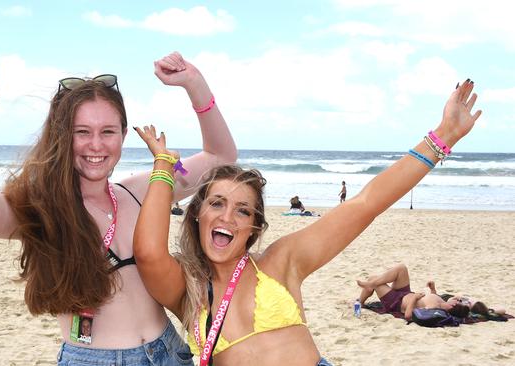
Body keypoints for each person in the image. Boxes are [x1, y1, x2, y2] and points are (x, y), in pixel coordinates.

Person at [132, 79, 481, 365]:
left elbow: (365, 204)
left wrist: (442, 138)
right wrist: (163, 166)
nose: (227, 217)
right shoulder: (186, 288)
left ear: (254, 226)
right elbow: (148, 253)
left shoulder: (280, 263)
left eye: (242, 210)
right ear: (197, 214)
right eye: (217, 204)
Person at [0, 29, 236, 365]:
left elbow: (220, 157)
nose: (96, 146)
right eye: (81, 132)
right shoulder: (42, 208)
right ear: (61, 135)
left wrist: (195, 83)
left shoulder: (141, 190)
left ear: (124, 134)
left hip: (168, 352)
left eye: (108, 132)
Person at [356, 263, 470, 321]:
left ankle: (361, 301)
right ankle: (371, 285)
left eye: (458, 300)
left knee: (373, 279)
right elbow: (432, 297)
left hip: (395, 302)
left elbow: (408, 316)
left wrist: (415, 299)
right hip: (405, 292)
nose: (456, 298)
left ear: (453, 305)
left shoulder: (434, 309)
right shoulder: (441, 301)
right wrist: (433, 290)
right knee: (402, 268)